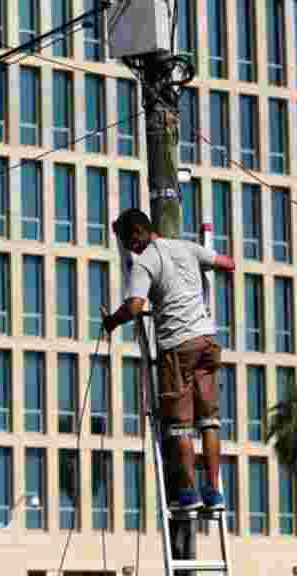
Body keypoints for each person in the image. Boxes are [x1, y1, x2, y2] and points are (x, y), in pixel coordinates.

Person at [102, 208, 236, 512]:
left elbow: (135, 306)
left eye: (127, 240)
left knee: (180, 424)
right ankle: (214, 491)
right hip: (208, 341)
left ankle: (188, 491)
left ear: (137, 233)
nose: (128, 247)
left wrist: (112, 321)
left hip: (178, 347)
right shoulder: (186, 247)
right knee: (210, 421)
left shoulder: (145, 262)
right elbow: (228, 263)